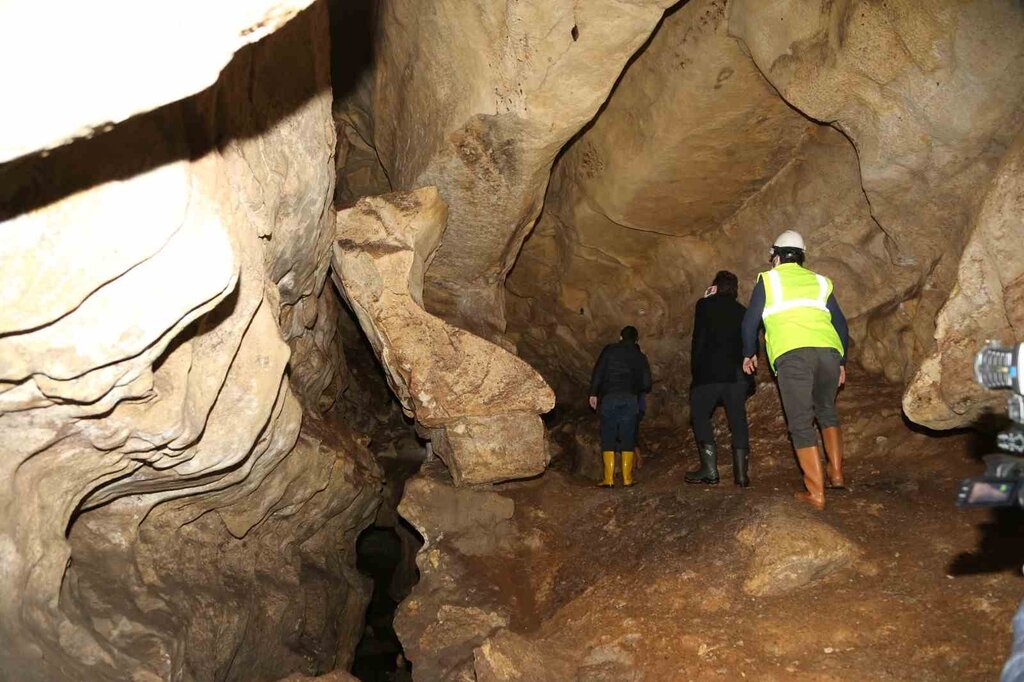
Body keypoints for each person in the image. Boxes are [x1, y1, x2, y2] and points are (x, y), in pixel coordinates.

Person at [741, 230, 849, 510]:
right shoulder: (820, 281)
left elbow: (750, 321)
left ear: (776, 256)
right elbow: (841, 324)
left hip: (793, 355)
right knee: (826, 410)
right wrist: (841, 361)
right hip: (827, 352)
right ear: (801, 257)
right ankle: (836, 474)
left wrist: (748, 352)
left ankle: (816, 494)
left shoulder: (768, 279)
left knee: (801, 422)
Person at [686, 271, 752, 487]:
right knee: (738, 420)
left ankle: (710, 470)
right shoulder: (743, 312)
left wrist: (707, 297)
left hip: (709, 375)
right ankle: (741, 476)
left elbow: (699, 340)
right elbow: (749, 344)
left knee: (699, 415)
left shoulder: (704, 306)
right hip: (735, 376)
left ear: (714, 286)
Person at [588, 326, 653, 487]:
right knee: (628, 436)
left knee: (608, 435)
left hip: (609, 398)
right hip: (630, 400)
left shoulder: (609, 350)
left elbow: (598, 372)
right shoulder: (640, 356)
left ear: (620, 337)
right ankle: (627, 479)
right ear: (636, 340)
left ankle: (608, 479)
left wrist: (593, 393)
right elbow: (646, 383)